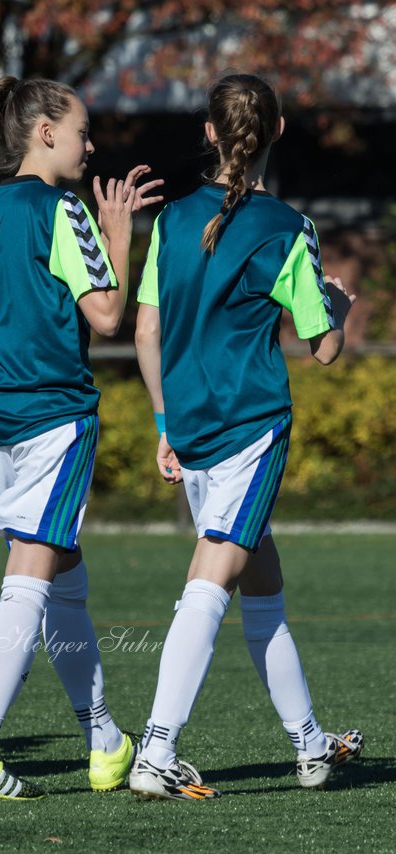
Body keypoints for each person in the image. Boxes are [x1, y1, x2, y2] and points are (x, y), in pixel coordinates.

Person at [130, 73, 363, 800]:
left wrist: (165, 423)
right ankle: (156, 752)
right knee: (209, 583)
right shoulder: (288, 229)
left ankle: (309, 746)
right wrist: (337, 307)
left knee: (263, 586)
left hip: (196, 427)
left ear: (207, 132)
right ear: (279, 131)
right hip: (248, 429)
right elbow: (322, 350)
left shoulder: (169, 222)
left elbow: (146, 330)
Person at [0, 76, 160, 800]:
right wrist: (121, 233)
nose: (91, 143)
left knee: (63, 580)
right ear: (43, 132)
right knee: (29, 583)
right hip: (51, 416)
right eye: (82, 131)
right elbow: (105, 315)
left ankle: (104, 741)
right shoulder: (59, 207)